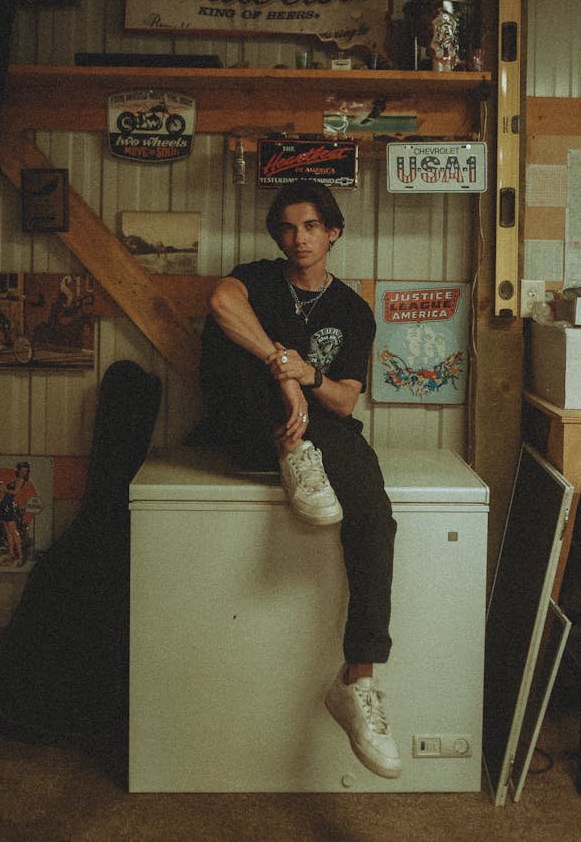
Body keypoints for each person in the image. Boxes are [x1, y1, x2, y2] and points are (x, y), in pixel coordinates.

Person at [197, 180, 400, 779]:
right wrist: (280, 367)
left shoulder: (352, 311)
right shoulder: (257, 278)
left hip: (320, 426)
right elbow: (221, 304)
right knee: (243, 369)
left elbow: (343, 399)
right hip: (247, 423)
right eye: (287, 227)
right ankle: (294, 454)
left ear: (333, 232)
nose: (299, 238)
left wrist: (306, 375)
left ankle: (357, 681)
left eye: (311, 226)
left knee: (376, 518)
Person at [0, 461, 31, 565]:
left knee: (13, 531)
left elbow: (15, 492)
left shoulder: (20, 480)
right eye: (22, 470)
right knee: (8, 531)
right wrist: (1, 493)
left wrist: (5, 489)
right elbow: (5, 492)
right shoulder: (15, 479)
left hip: (8, 505)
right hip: (4, 504)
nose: (24, 472)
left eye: (26, 471)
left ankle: (20, 555)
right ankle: (11, 554)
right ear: (18, 470)